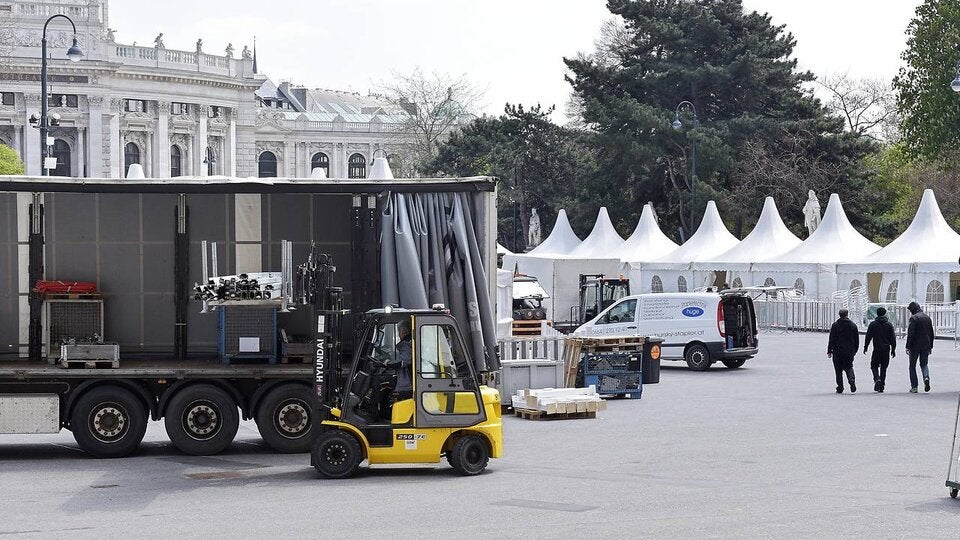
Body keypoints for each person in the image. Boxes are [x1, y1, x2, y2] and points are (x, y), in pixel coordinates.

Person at [864, 307, 896, 393]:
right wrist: (893, 349)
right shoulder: (889, 325)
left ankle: (877, 378)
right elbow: (893, 338)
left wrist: (865, 347)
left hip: (877, 349)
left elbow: (868, 336)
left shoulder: (873, 324)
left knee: (874, 365)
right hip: (886, 349)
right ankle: (882, 386)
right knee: (884, 368)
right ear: (885, 314)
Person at [906, 301, 935, 393]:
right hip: (926, 345)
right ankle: (926, 377)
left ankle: (914, 387)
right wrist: (931, 346)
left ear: (912, 310)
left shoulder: (914, 318)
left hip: (915, 346)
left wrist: (908, 346)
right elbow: (931, 333)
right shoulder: (927, 317)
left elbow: (911, 334)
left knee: (912, 366)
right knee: (924, 364)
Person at [828, 309, 859, 393]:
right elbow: (856, 339)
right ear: (847, 314)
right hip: (849, 351)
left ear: (839, 315)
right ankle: (851, 380)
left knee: (838, 370)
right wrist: (855, 350)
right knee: (849, 366)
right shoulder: (853, 325)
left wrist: (829, 350)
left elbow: (832, 338)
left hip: (838, 351)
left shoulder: (835, 325)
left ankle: (840, 387)